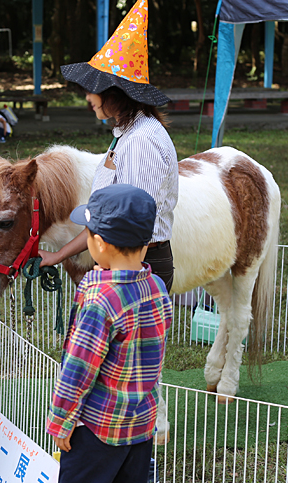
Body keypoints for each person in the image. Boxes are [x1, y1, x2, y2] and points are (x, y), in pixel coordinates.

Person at [39, 1, 178, 292]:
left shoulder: (142, 142)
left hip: (137, 267)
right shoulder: (127, 133)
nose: (87, 96)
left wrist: (110, 273)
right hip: (123, 260)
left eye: (93, 88)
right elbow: (109, 217)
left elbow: (134, 222)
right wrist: (59, 255)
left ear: (116, 93)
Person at [46, 184, 170, 483]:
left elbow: (79, 369)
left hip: (96, 431)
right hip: (141, 425)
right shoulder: (157, 288)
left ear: (99, 243)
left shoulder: (100, 300)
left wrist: (61, 421)